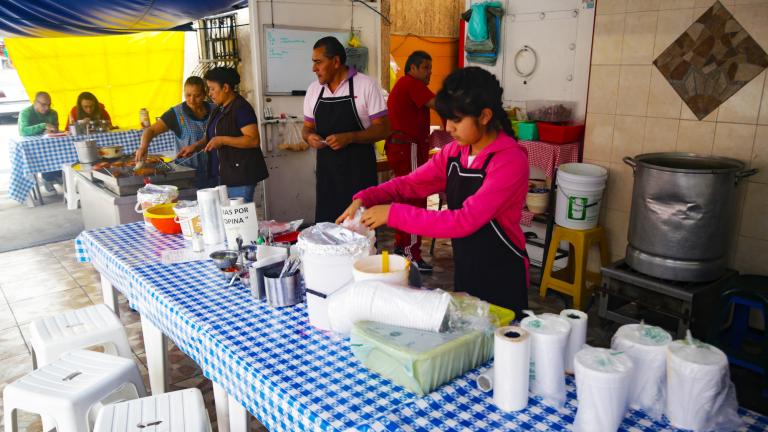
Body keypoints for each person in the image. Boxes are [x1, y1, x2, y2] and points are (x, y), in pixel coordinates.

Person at [336, 67, 530, 315]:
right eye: (446, 117)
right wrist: (366, 196)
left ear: (484, 116)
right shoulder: (455, 153)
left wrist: (393, 214)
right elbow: (410, 184)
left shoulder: (509, 161)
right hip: (468, 268)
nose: (448, 127)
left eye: (456, 119)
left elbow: (463, 220)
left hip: (502, 275)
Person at [302, 36, 390, 223]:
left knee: (360, 232)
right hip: (327, 177)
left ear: (335, 62)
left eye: (318, 62)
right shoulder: (313, 90)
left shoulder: (366, 85)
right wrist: (309, 137)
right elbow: (307, 128)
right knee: (327, 232)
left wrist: (349, 137)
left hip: (359, 175)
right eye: (313, 63)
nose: (313, 69)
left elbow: (383, 129)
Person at [177, 67, 268, 202]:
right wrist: (194, 147)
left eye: (212, 89)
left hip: (239, 177)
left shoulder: (241, 108)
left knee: (238, 219)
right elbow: (211, 136)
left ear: (225, 87)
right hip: (223, 177)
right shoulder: (220, 108)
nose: (210, 93)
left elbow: (253, 140)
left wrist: (222, 140)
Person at [385, 50, 437, 272]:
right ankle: (411, 254)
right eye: (425, 68)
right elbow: (438, 104)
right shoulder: (411, 83)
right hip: (409, 147)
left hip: (402, 147)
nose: (429, 73)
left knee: (404, 197)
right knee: (415, 199)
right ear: (412, 68)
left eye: (430, 69)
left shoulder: (403, 85)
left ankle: (402, 246)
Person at [136, 76, 214, 188]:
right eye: (188, 95)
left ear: (205, 94)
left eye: (197, 96)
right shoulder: (176, 113)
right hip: (189, 175)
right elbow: (151, 130)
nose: (192, 100)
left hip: (216, 172)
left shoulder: (215, 109)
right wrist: (143, 146)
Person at [18, 91, 61, 190]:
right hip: (32, 148)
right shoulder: (25, 113)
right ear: (35, 102)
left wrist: (53, 130)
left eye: (49, 105)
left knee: (59, 151)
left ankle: (57, 176)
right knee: (45, 154)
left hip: (50, 145)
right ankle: (48, 179)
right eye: (43, 104)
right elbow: (23, 131)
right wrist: (43, 126)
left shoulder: (53, 113)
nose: (47, 108)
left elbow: (55, 128)